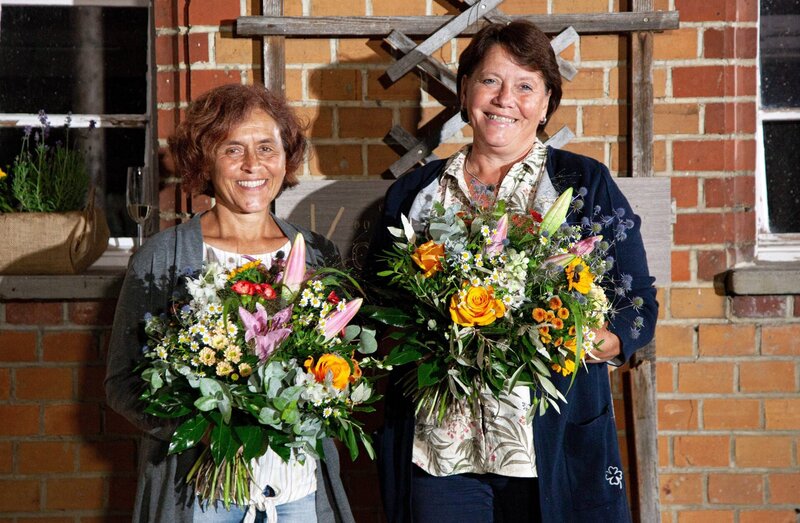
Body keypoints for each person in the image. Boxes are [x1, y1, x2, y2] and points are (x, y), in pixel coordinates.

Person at [367, 21, 658, 523]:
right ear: (465, 91)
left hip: (549, 445)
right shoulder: (416, 193)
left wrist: (588, 337)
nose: (506, 99)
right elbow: (376, 307)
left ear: (546, 103)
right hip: (440, 453)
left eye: (525, 86)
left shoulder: (583, 184)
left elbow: (638, 310)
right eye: (490, 81)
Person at [105, 84, 355, 523]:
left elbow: (338, 372)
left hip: (297, 494)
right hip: (201, 499)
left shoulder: (318, 254)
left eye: (266, 147)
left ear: (287, 155)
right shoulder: (163, 257)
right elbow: (122, 384)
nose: (253, 165)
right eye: (232, 150)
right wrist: (203, 428)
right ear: (204, 160)